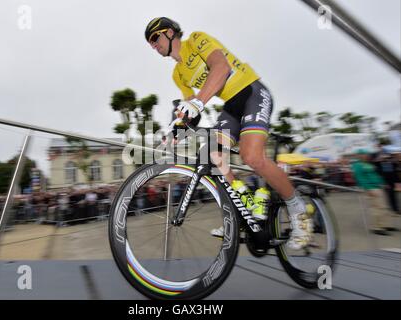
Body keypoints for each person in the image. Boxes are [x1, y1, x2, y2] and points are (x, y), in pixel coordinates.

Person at [145, 17, 313, 250]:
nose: (153, 45)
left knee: (251, 157)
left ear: (171, 32)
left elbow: (222, 68)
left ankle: (299, 209)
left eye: (155, 37)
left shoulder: (196, 40)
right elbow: (190, 106)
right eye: (149, 43)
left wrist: (198, 102)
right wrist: (176, 128)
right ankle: (244, 206)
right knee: (212, 155)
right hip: (231, 108)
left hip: (252, 93)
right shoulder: (178, 74)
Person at [350, 149, 395, 235]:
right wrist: (367, 188)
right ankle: (377, 227)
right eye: (365, 154)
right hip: (371, 188)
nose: (367, 156)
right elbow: (360, 177)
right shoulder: (357, 165)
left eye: (367, 154)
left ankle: (385, 225)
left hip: (378, 187)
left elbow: (375, 174)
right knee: (376, 207)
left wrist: (383, 183)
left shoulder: (368, 164)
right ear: (360, 155)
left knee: (384, 207)